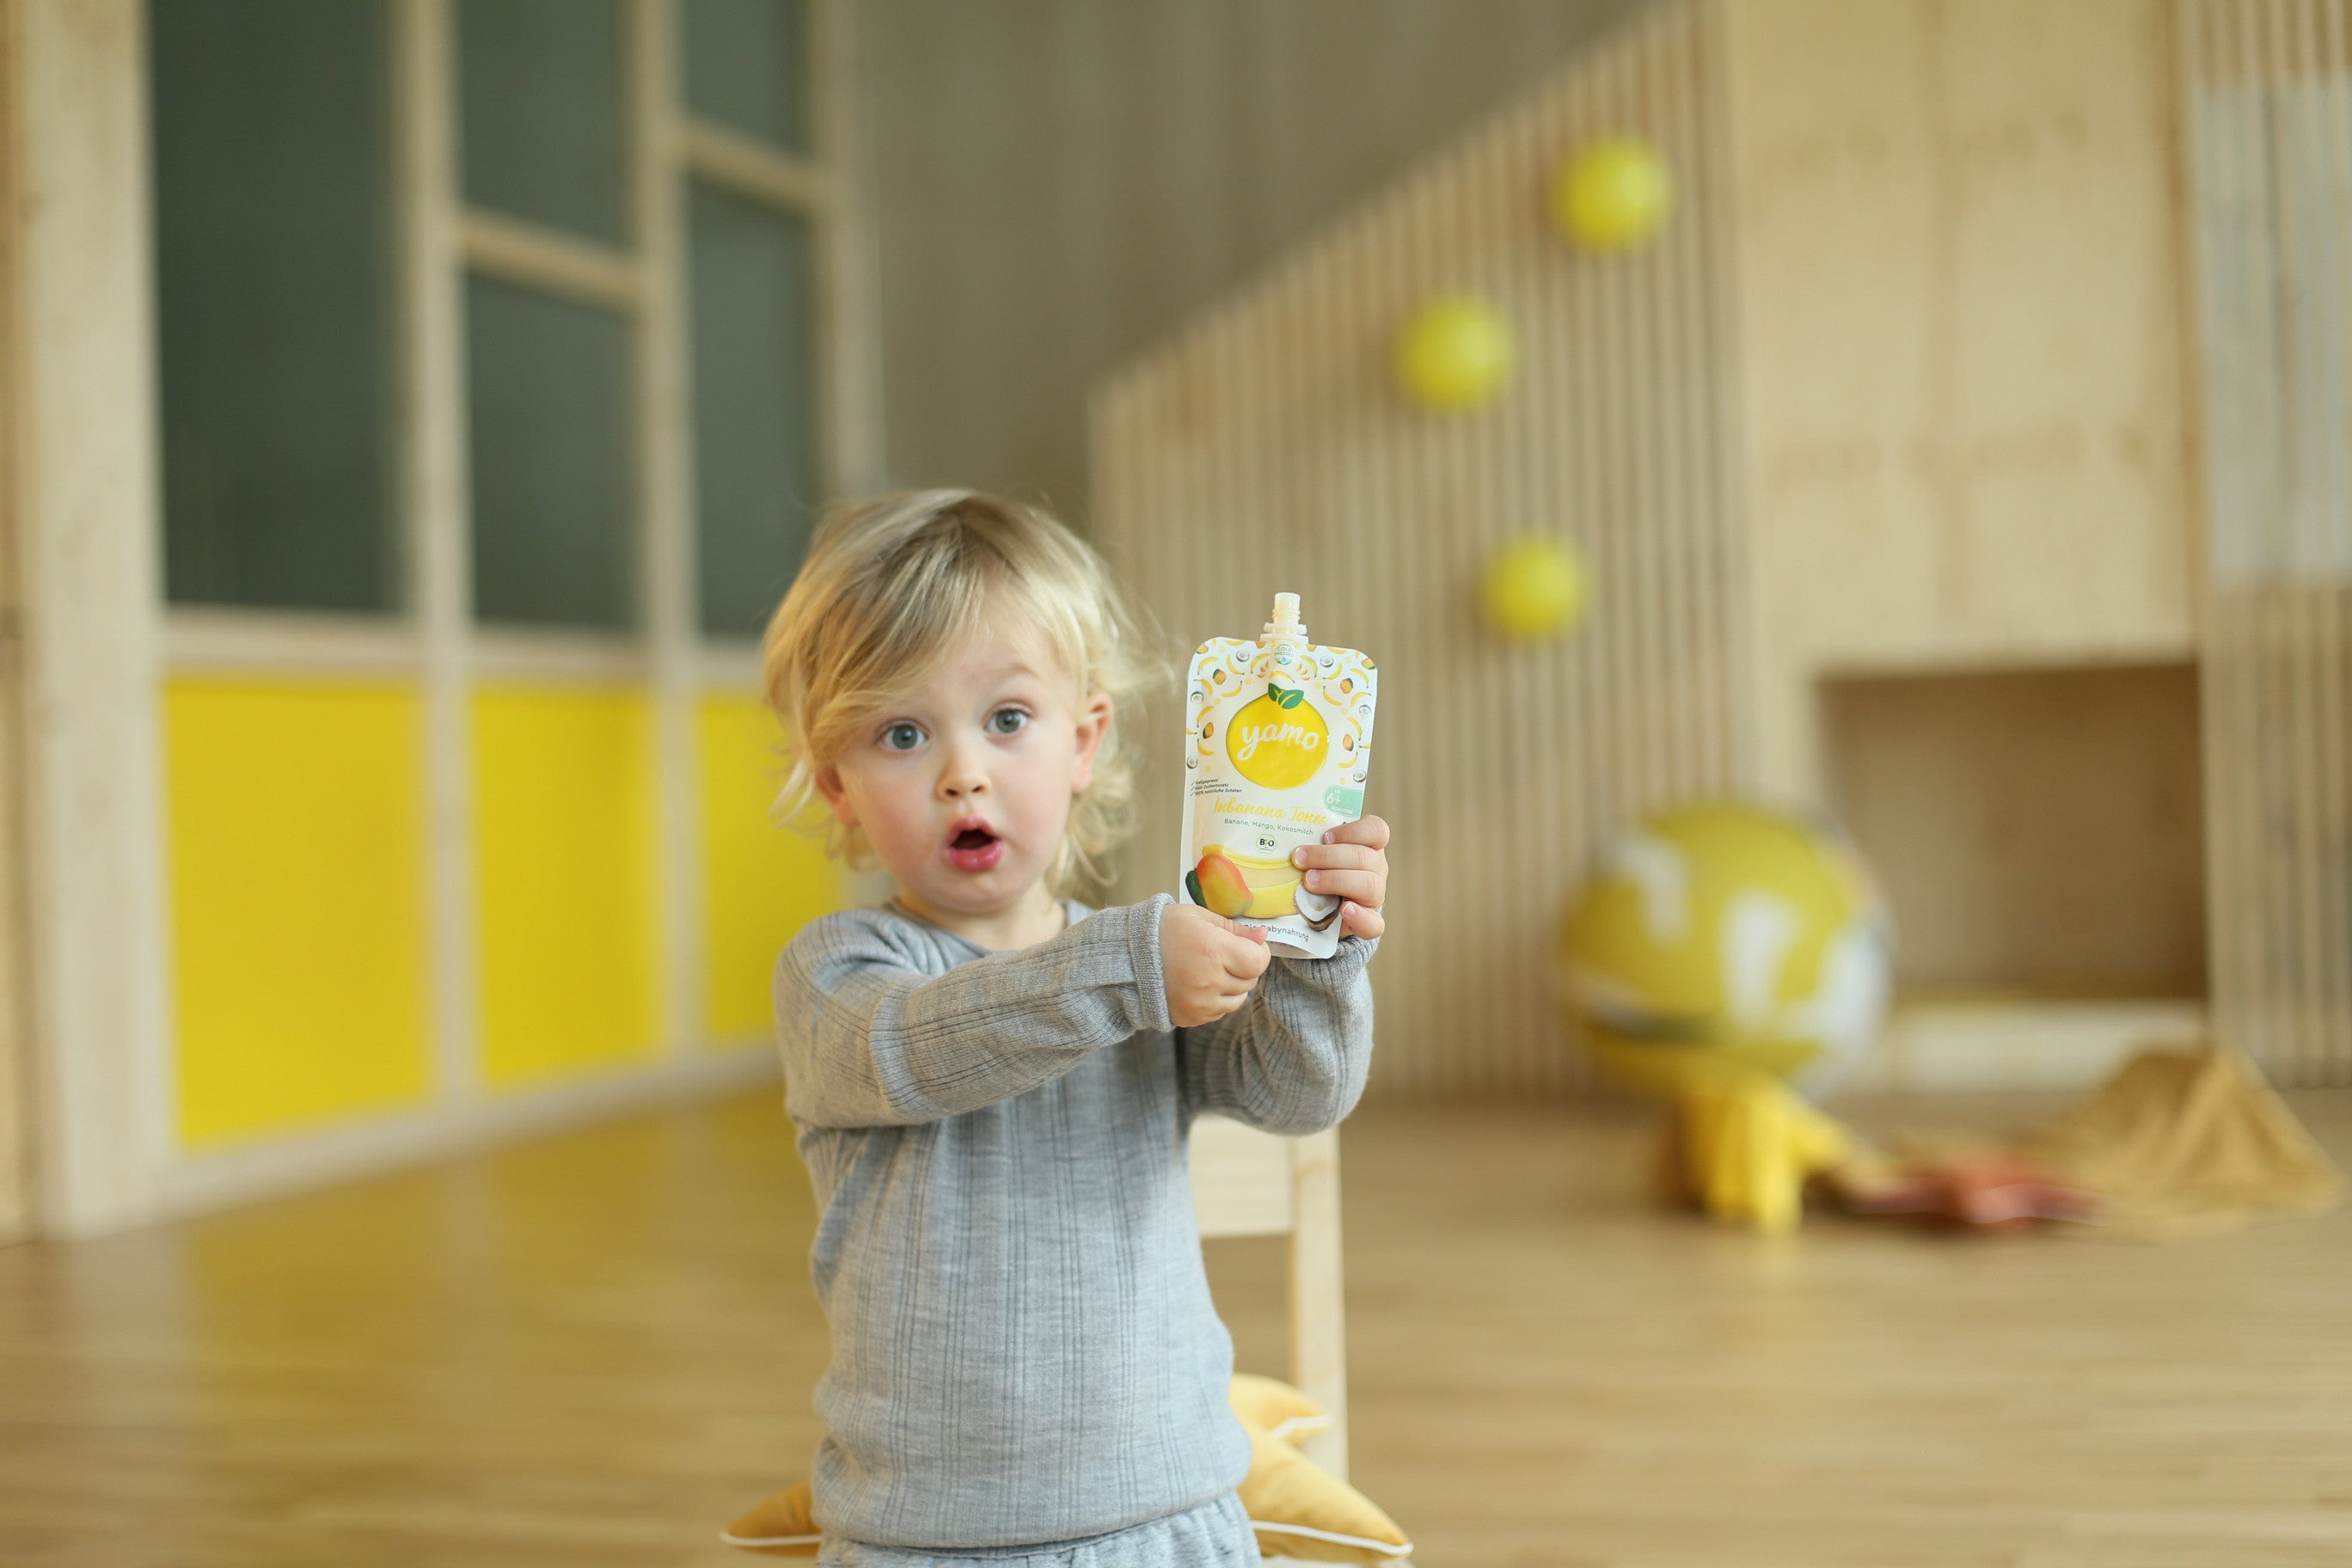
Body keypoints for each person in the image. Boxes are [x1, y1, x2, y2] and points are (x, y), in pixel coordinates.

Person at [760, 490, 1389, 1566]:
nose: (963, 772)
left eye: (1008, 719)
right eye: (902, 734)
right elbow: (910, 1049)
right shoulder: (837, 974)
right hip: (927, 1536)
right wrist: (1131, 969)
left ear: (1084, 741)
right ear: (838, 785)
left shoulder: (1149, 967)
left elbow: (1297, 1095)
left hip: (1168, 1515)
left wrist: (1314, 952)